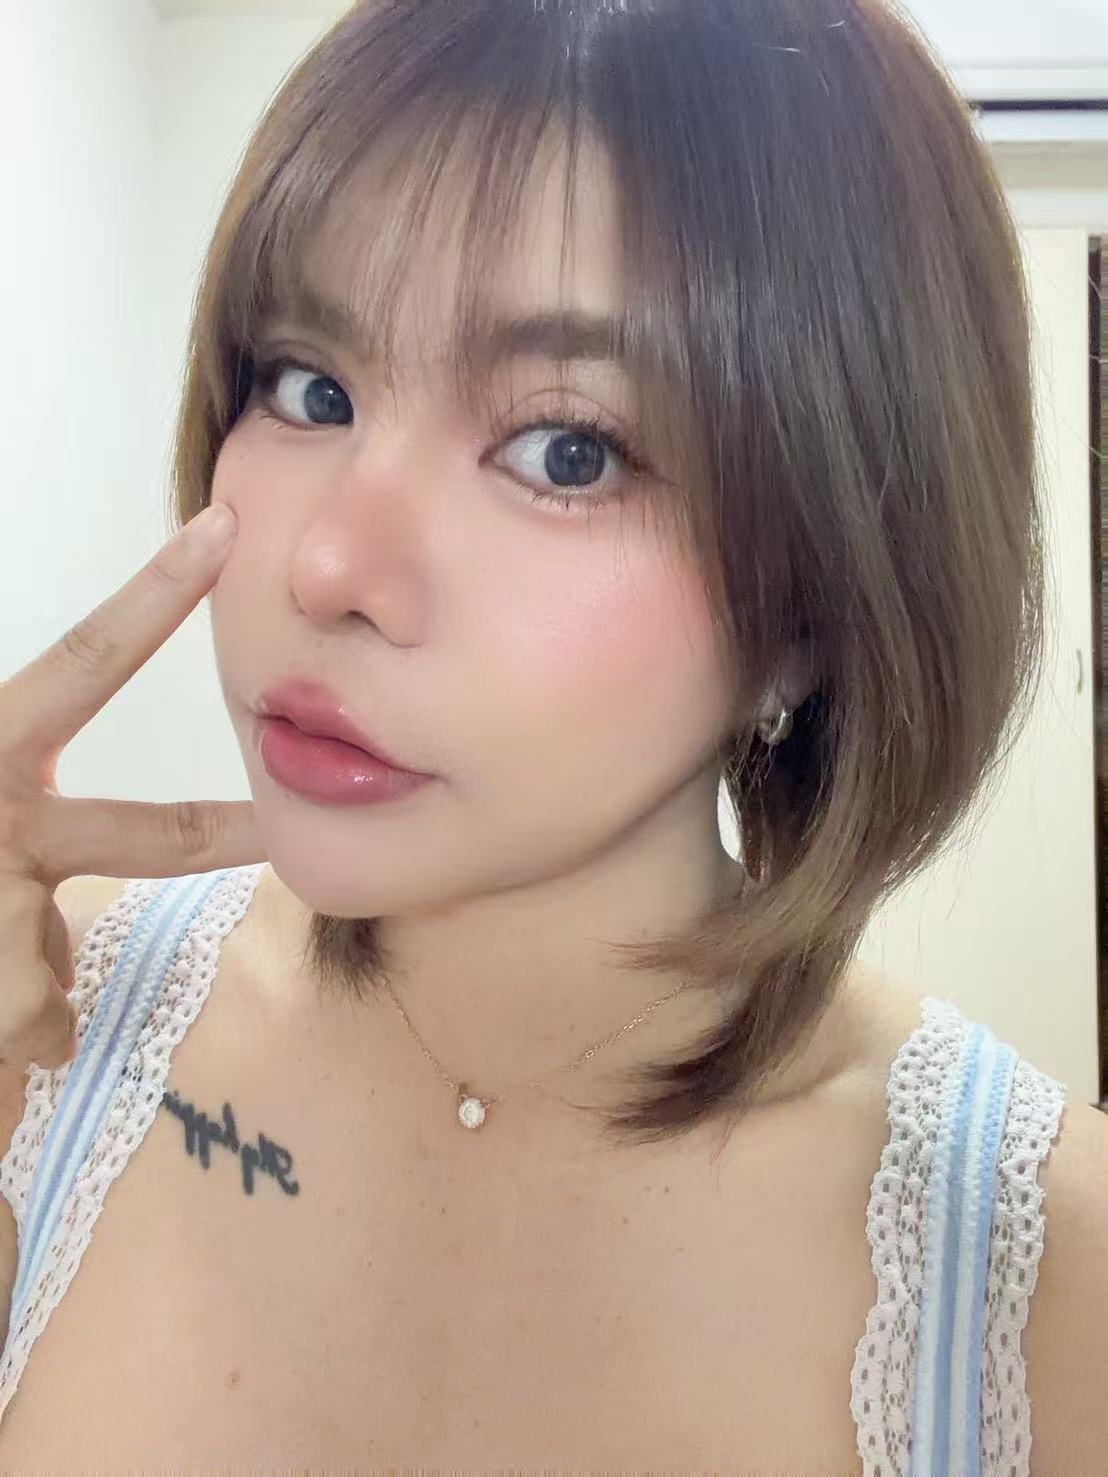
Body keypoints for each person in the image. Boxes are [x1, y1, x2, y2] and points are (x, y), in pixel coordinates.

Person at [0, 0, 1104, 1467]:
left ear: (818, 600)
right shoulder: (44, 1024)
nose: (328, 568)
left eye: (566, 451)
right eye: (310, 388)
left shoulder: (1049, 1285)